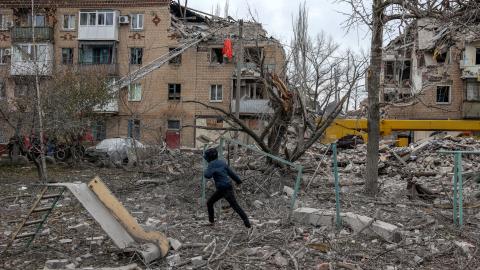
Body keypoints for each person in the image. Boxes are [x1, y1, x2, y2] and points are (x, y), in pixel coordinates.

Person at [203, 148, 251, 228]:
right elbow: (231, 173)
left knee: (235, 206)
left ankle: (248, 225)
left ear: (209, 157)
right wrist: (239, 181)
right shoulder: (222, 163)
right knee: (210, 203)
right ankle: (211, 222)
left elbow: (207, 175)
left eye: (206, 157)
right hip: (224, 188)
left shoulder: (211, 164)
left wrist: (207, 170)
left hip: (224, 189)